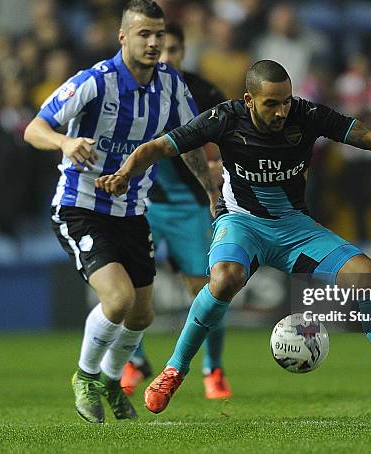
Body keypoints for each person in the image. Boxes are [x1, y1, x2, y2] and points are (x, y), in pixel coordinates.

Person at [96, 60, 371, 422]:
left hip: (295, 229)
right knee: (225, 277)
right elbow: (157, 148)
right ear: (249, 100)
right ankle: (174, 371)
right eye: (271, 104)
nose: (282, 112)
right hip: (242, 223)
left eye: (286, 101)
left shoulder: (306, 115)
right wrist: (123, 174)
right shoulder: (224, 119)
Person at [24, 0, 217, 424]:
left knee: (142, 314)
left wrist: (209, 190)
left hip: (132, 211)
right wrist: (65, 143)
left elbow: (188, 141)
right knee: (118, 299)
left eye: (158, 35)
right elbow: (34, 127)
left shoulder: (171, 85)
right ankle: (86, 376)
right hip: (81, 206)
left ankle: (112, 379)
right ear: (123, 36)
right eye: (143, 34)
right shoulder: (94, 82)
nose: (152, 43)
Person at [121, 21, 232, 400]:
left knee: (208, 290)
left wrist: (219, 168)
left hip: (189, 207)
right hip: (142, 204)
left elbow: (232, 141)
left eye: (173, 52)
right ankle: (135, 362)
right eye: (160, 51)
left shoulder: (203, 92)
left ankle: (212, 369)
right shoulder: (131, 88)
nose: (165, 58)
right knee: (125, 288)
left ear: (183, 53)